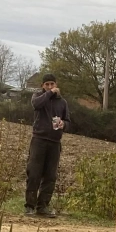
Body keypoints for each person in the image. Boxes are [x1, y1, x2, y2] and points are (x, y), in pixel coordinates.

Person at [26, 74, 71, 216]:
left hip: (55, 143)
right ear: (42, 86)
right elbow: (36, 105)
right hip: (39, 140)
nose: (50, 87)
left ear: (56, 84)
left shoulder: (62, 102)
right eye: (47, 84)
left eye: (52, 84)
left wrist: (64, 124)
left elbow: (68, 121)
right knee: (34, 173)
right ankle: (29, 206)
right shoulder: (38, 97)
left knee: (50, 176)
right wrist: (49, 94)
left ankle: (43, 207)